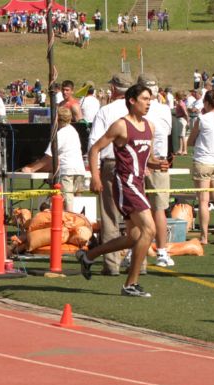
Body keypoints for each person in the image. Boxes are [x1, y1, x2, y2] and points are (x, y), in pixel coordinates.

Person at [77, 83, 170, 297]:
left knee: (133, 237)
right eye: (145, 99)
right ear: (132, 101)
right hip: (125, 184)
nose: (149, 103)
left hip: (138, 183)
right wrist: (96, 177)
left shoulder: (150, 126)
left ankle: (89, 256)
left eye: (150, 99)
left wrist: (158, 165)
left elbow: (147, 159)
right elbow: (95, 149)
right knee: (150, 230)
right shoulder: (120, 126)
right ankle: (130, 284)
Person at [87, 73, 133, 276]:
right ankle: (138, 262)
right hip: (134, 165)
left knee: (109, 215)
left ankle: (112, 263)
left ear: (113, 89)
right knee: (136, 217)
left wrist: (94, 174)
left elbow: (93, 144)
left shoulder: (106, 111)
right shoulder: (137, 112)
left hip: (112, 163)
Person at [140, 73, 175, 267]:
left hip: (145, 161)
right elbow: (166, 133)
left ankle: (140, 250)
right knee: (158, 208)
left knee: (140, 209)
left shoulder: (146, 109)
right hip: (158, 160)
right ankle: (160, 250)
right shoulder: (164, 109)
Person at [21, 107, 86, 213]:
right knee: (74, 203)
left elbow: (48, 157)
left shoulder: (60, 134)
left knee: (68, 208)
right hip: (79, 170)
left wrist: (31, 168)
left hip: (67, 172)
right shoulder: (73, 131)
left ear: (57, 119)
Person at [188, 90, 214, 244]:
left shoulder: (202, 119)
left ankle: (204, 236)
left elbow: (191, 140)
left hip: (203, 161)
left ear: (206, 103)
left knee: (203, 200)